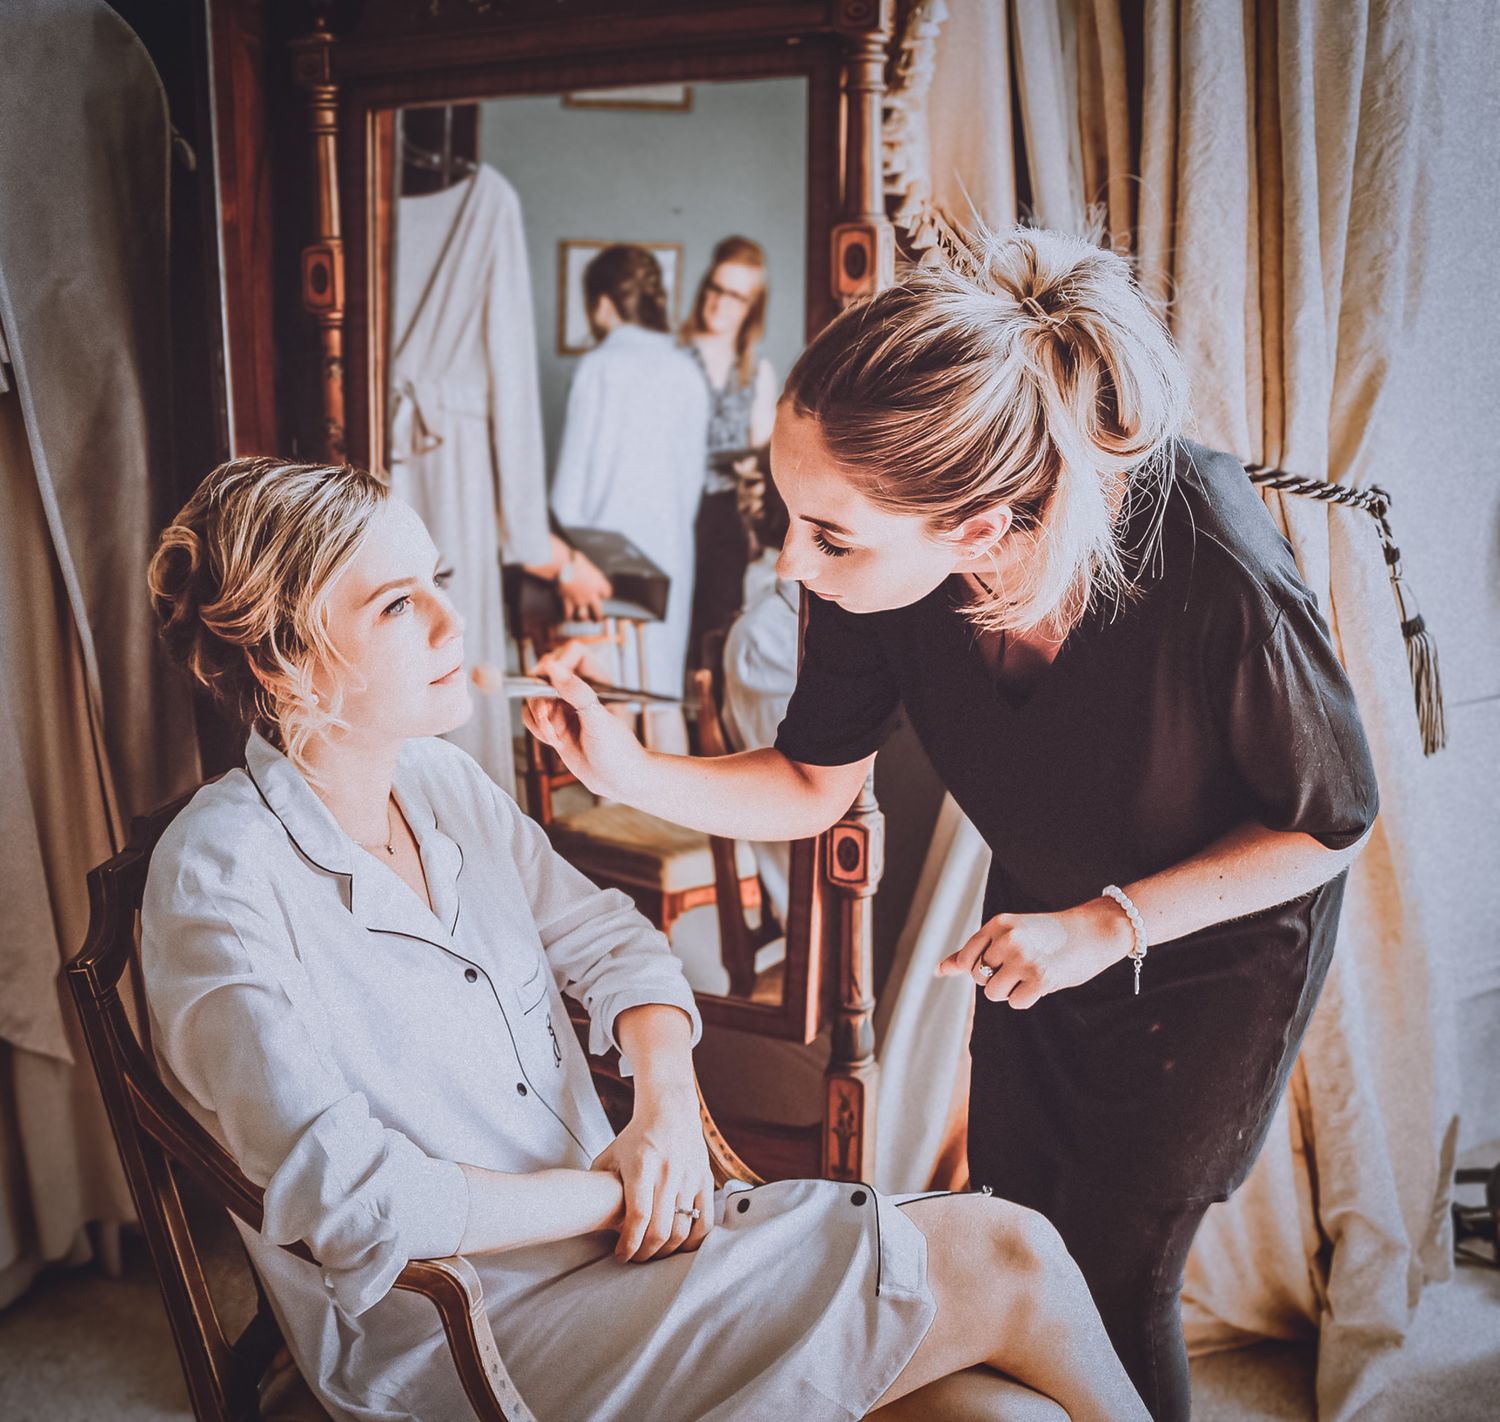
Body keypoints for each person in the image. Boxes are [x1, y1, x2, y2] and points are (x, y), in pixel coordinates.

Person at [525, 227, 1381, 1422]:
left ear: (981, 529)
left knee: (1116, 1278)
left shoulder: (1210, 557)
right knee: (1013, 1231)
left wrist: (1107, 924)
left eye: (826, 536)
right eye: (789, 516)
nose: (790, 564)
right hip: (1037, 928)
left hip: (1212, 954)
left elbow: (1330, 824)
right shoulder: (886, 573)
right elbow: (814, 784)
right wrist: (625, 765)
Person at [140, 457, 1145, 1422]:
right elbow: (358, 1207)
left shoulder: (439, 784)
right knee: (1007, 1255)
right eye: (398, 604)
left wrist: (662, 1115)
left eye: (438, 580)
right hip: (462, 1337)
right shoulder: (217, 883)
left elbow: (613, 942)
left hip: (629, 1247)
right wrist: (612, 1191)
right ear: (287, 661)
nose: (455, 618)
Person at [539, 244, 708, 753]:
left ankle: (611, 796)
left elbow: (569, 485)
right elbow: (691, 479)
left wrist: (561, 553)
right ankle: (669, 806)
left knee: (607, 686)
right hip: (671, 546)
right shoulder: (688, 370)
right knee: (658, 686)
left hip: (601, 550)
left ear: (605, 304)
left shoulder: (599, 365)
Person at [681, 236, 779, 661]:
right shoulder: (671, 358)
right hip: (671, 514)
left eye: (736, 295)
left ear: (752, 307)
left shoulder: (758, 372)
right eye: (715, 288)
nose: (720, 302)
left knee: (716, 630)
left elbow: (762, 461)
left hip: (726, 522)